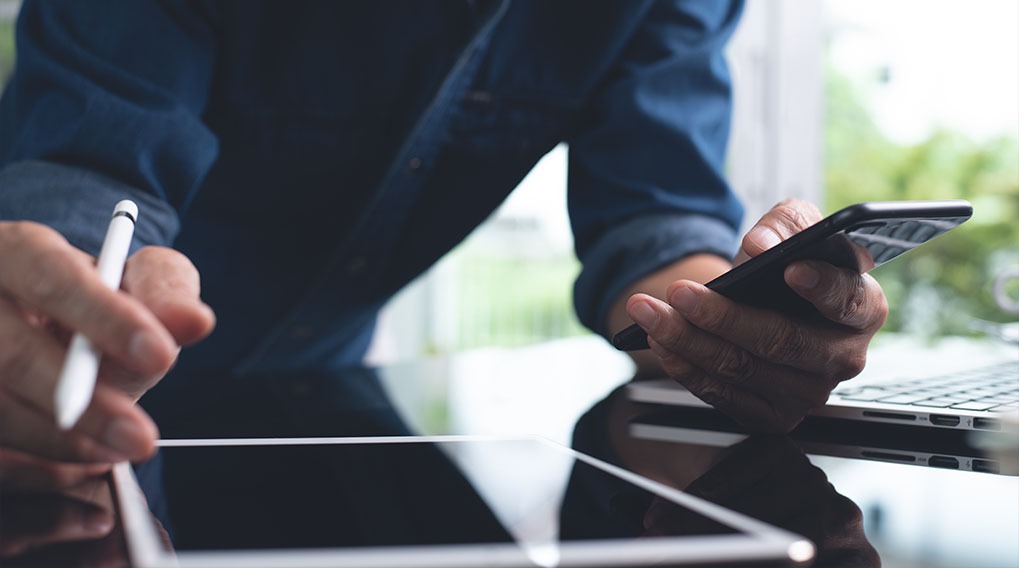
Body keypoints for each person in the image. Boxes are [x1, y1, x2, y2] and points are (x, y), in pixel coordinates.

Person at [0, 0, 887, 482]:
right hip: (64, 407)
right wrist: (53, 293)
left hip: (332, 418)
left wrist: (730, 317)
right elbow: (87, 172)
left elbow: (653, 223)